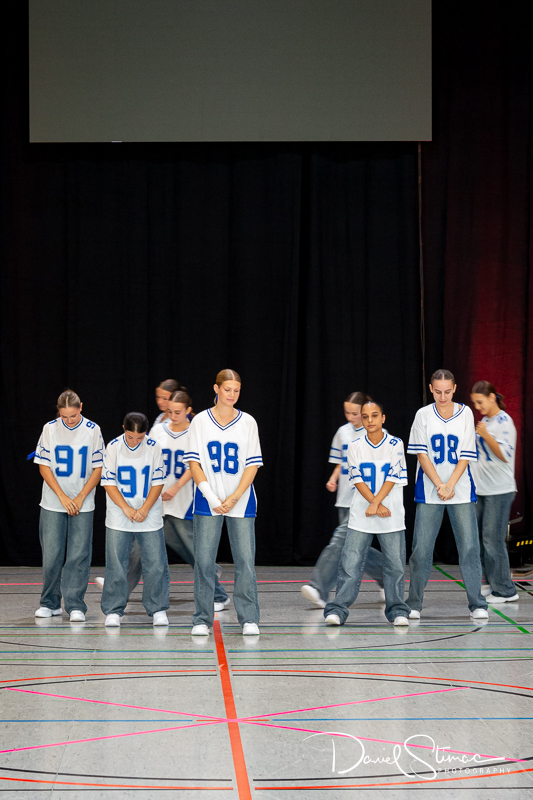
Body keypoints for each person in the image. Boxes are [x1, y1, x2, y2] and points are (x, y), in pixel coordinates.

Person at [185, 369, 262, 636]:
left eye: (236, 390)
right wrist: (211, 495)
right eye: (227, 389)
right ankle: (201, 619)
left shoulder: (248, 422)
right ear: (216, 388)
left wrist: (234, 497)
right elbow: (194, 463)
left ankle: (249, 618)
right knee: (204, 562)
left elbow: (252, 465)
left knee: (245, 562)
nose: (232, 394)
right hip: (208, 500)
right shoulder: (200, 421)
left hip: (241, 500)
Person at [406, 369, 488, 620]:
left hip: (460, 491)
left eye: (448, 391)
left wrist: (450, 485)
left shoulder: (466, 414)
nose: (443, 397)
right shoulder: (422, 415)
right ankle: (414, 603)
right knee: (421, 550)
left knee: (470, 548)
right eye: (438, 392)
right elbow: (422, 455)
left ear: (455, 389)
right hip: (430, 491)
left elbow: (466, 455)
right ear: (431, 389)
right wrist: (440, 485)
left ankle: (477, 604)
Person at [324, 400, 411, 626]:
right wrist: (374, 504)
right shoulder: (354, 445)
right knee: (350, 564)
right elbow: (357, 478)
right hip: (361, 515)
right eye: (365, 416)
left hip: (391, 515)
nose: (370, 420)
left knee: (395, 565)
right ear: (361, 420)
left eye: (374, 415)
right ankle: (338, 609)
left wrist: (376, 503)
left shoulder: (395, 443)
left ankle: (397, 611)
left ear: (383, 418)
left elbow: (393, 477)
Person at [145, 390, 230, 610]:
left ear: (188, 411)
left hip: (183, 502)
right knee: (139, 549)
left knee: (193, 550)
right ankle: (118, 594)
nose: (173, 416)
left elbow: (195, 465)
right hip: (157, 500)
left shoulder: (195, 432)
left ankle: (219, 595)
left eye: (178, 412)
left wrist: (175, 487)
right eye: (170, 412)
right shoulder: (158, 430)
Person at [301, 392, 384, 608]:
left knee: (340, 541)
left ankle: (319, 588)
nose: (351, 417)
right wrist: (333, 478)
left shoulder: (376, 433)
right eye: (347, 412)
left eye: (355, 413)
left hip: (364, 499)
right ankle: (388, 577)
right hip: (344, 498)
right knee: (353, 547)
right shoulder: (342, 432)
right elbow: (341, 462)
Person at [33, 390, 104, 622]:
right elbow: (44, 466)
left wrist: (81, 497)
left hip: (83, 502)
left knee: (78, 555)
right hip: (54, 502)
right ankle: (49, 603)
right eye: (64, 416)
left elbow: (98, 468)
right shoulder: (49, 429)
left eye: (73, 415)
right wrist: (62, 497)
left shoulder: (93, 430)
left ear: (81, 407)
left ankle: (75, 605)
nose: (69, 420)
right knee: (51, 555)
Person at [100, 412, 170, 626]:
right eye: (131, 437)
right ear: (124, 428)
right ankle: (114, 610)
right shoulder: (113, 447)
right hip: (119, 514)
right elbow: (108, 482)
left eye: (140, 438)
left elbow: (158, 482)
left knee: (155, 562)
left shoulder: (154, 447)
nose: (135, 441)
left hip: (148, 514)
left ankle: (157, 608)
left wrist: (144, 509)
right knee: (116, 562)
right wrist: (126, 508)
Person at [470, 381, 518, 603]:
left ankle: (506, 590)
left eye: (480, 402)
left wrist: (486, 435)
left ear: (491, 397)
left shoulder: (504, 421)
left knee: (493, 540)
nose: (477, 407)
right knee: (482, 540)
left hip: (499, 490)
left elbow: (505, 455)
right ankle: (493, 582)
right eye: (474, 403)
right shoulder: (486, 422)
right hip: (482, 489)